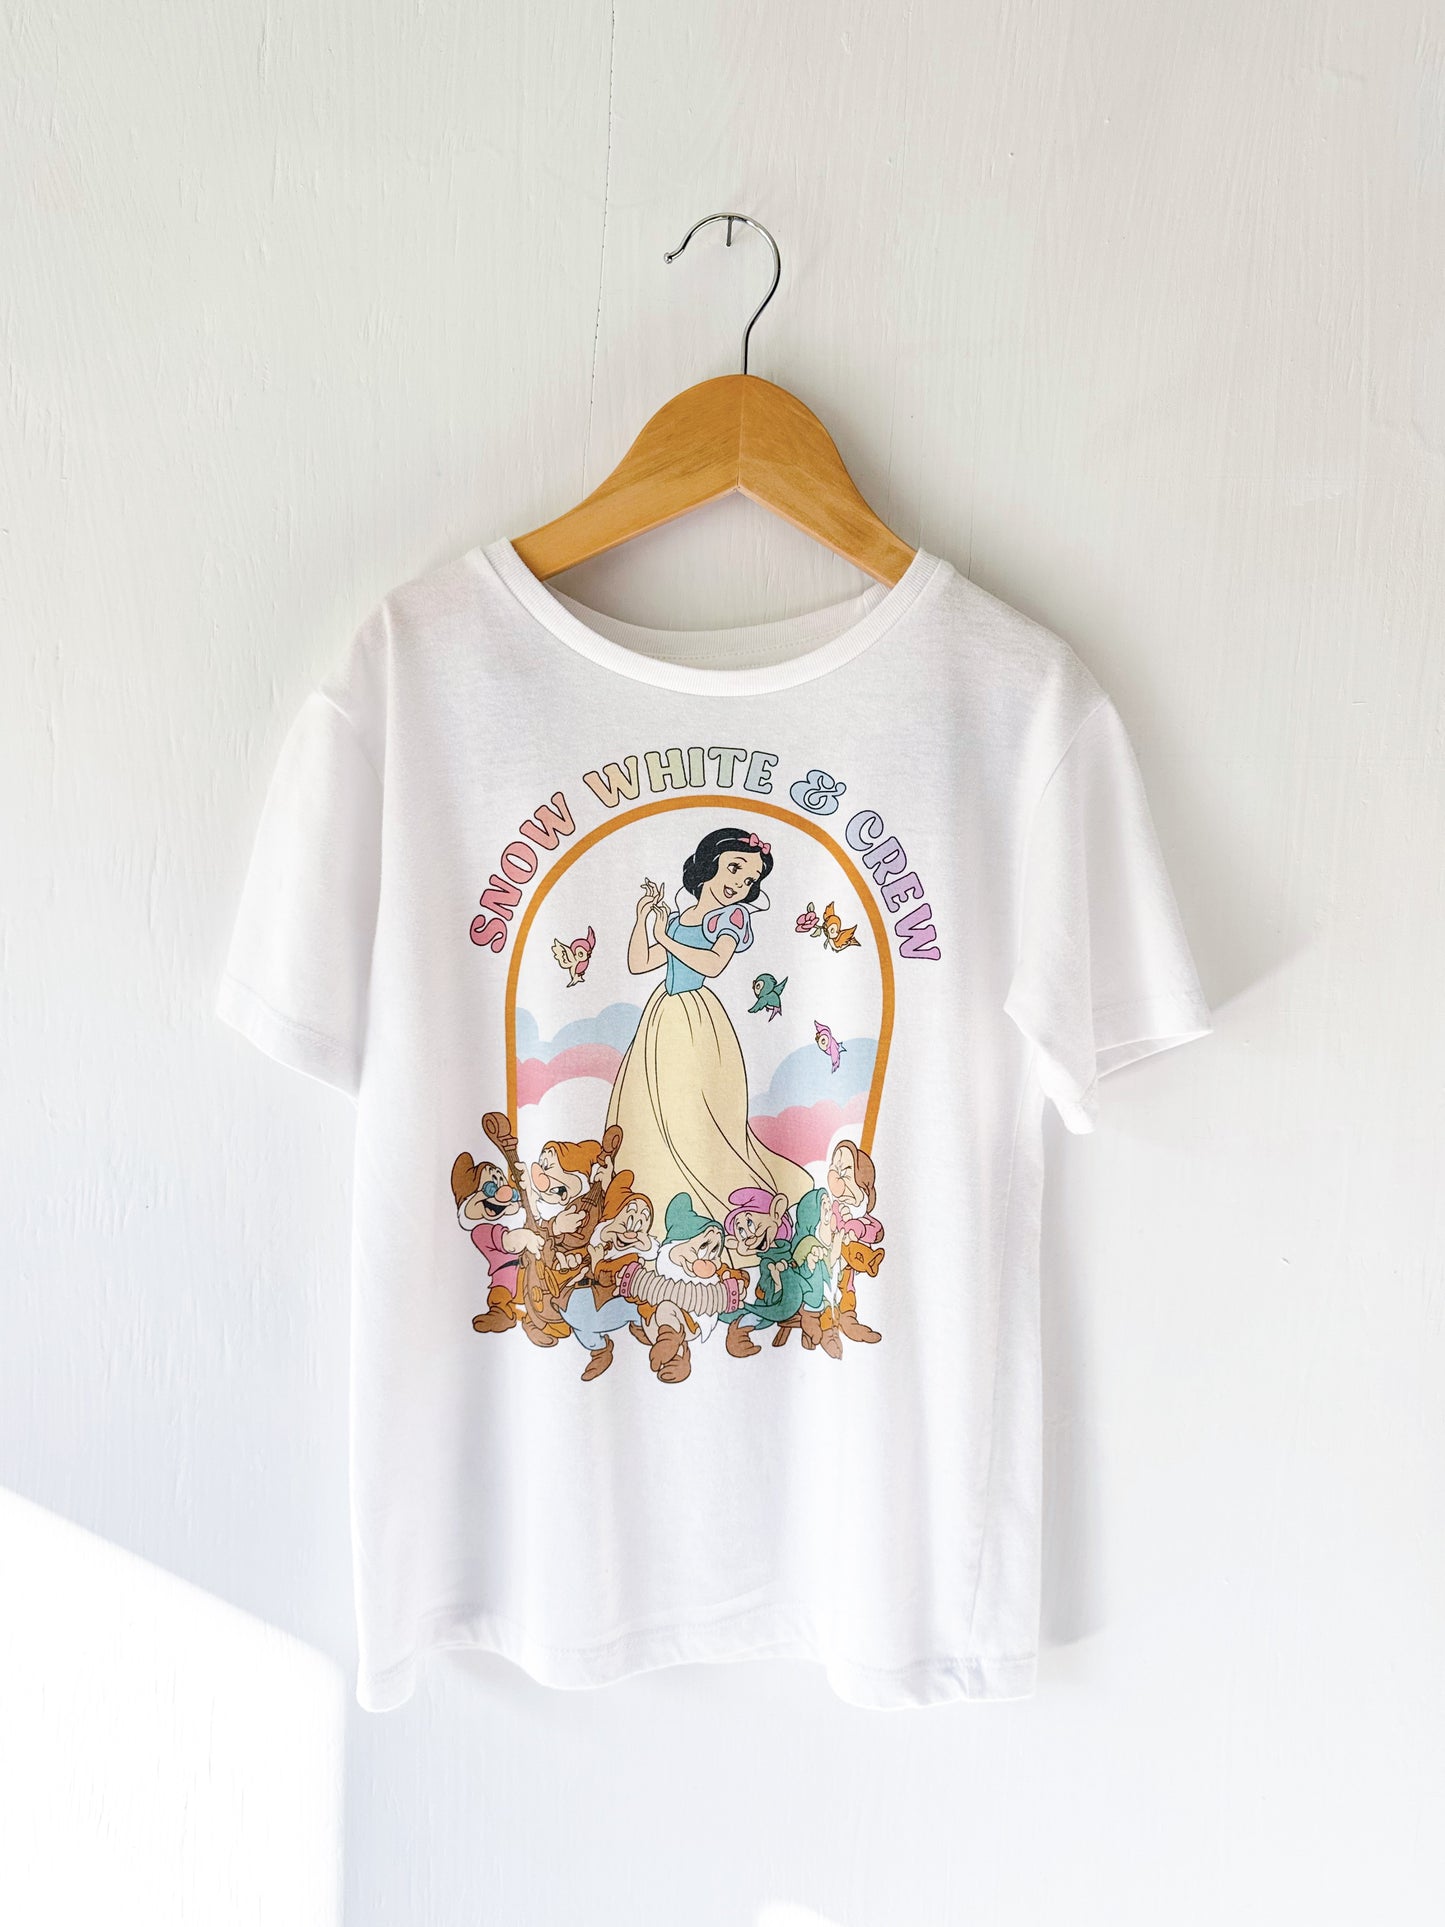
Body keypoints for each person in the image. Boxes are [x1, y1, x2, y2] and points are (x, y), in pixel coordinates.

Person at [607, 827, 812, 1221]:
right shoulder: (681, 918)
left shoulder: (732, 917)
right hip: (662, 1017)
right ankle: (657, 1194)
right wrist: (643, 919)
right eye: (734, 868)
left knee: (698, 1112)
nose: (739, 884)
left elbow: (714, 964)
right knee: (653, 1105)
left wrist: (665, 938)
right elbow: (639, 963)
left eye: (749, 879)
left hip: (697, 1021)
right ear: (708, 864)